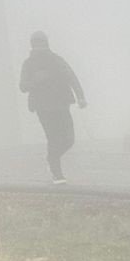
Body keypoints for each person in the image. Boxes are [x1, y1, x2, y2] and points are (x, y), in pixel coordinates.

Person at [18, 31, 86, 184]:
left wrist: (80, 96)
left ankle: (51, 158)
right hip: (43, 107)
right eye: (36, 43)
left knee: (69, 139)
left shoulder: (56, 60)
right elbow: (23, 86)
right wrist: (35, 80)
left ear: (46, 43)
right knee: (53, 139)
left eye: (41, 43)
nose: (39, 46)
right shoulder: (28, 64)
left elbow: (71, 77)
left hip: (62, 104)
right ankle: (57, 172)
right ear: (32, 45)